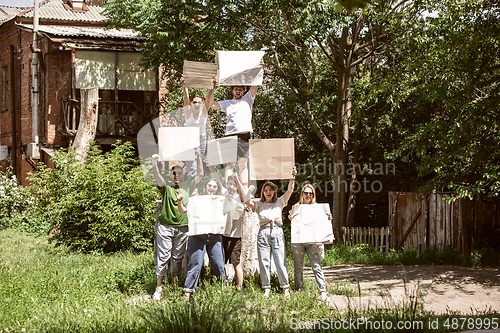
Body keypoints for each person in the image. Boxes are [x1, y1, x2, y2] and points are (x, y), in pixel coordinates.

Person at [151, 150, 203, 301]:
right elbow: (156, 175)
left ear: (182, 174)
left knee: (177, 258)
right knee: (163, 257)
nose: (176, 175)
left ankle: (173, 285)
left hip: (182, 227)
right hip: (165, 227)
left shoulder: (188, 186)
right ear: (171, 175)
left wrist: (199, 157)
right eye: (174, 173)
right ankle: (159, 288)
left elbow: (200, 174)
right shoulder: (166, 187)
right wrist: (154, 163)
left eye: (179, 173)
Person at [240, 166, 296, 298]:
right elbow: (246, 201)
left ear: (274, 192)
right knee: (264, 261)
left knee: (280, 260)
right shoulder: (259, 204)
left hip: (276, 231)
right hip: (263, 232)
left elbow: (290, 190)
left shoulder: (280, 202)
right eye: (266, 190)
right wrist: (248, 191)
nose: (268, 192)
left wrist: (292, 177)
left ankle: (285, 288)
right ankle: (266, 288)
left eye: (271, 190)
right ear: (263, 192)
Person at [208, 59, 264, 188]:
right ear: (232, 90)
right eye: (235, 89)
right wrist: (212, 87)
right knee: (230, 164)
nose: (238, 91)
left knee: (243, 163)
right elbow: (211, 104)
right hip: (230, 136)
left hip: (244, 135)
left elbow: (254, 84)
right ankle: (230, 187)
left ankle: (244, 188)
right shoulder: (227, 103)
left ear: (244, 90)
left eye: (240, 89)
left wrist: (260, 67)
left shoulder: (248, 99)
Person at [177, 177, 226, 301]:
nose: (212, 188)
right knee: (195, 263)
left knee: (218, 264)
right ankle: (187, 293)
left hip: (215, 236)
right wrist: (179, 201)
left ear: (217, 189)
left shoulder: (221, 201)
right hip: (197, 236)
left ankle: (222, 290)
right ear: (205, 187)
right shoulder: (196, 200)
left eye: (214, 186)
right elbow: (183, 210)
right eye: (209, 185)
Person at [288, 184, 332, 302]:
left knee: (316, 265)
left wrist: (327, 218)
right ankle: (299, 289)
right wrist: (291, 218)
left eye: (311, 193)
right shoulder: (296, 207)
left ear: (313, 195)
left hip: (312, 241)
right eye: (306, 193)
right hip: (298, 242)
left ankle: (322, 291)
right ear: (302, 194)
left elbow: (322, 224)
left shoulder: (318, 208)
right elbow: (293, 225)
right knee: (298, 266)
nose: (308, 195)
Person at [181, 75, 213, 179]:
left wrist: (212, 85)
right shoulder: (188, 113)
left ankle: (196, 185)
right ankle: (192, 188)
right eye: (195, 102)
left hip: (201, 139)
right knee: (191, 163)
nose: (197, 104)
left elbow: (208, 98)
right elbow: (186, 97)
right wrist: (184, 84)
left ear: (202, 103)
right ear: (191, 103)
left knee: (199, 163)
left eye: (199, 102)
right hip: (190, 140)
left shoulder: (203, 112)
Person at [222, 175, 246, 290]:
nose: (231, 186)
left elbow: (244, 197)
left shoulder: (239, 197)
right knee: (220, 263)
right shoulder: (223, 196)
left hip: (235, 236)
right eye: (230, 184)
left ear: (237, 187)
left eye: (234, 184)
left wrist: (237, 180)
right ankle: (221, 286)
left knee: (236, 263)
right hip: (222, 235)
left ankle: (239, 288)